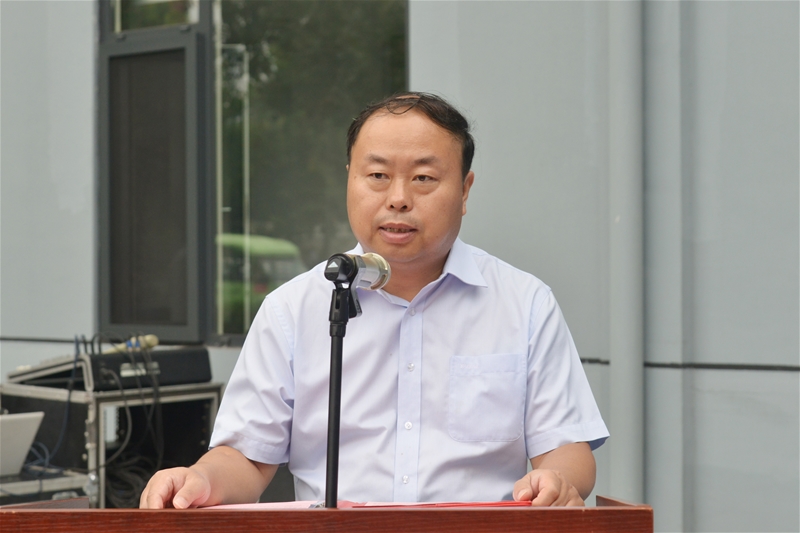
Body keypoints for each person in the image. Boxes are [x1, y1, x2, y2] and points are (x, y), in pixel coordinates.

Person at [140, 92, 608, 509]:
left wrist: (558, 481)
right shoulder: (293, 309)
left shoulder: (524, 303)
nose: (398, 198)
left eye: (423, 178)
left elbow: (566, 446)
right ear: (351, 179)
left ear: (465, 190)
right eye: (378, 175)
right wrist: (200, 479)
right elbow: (246, 456)